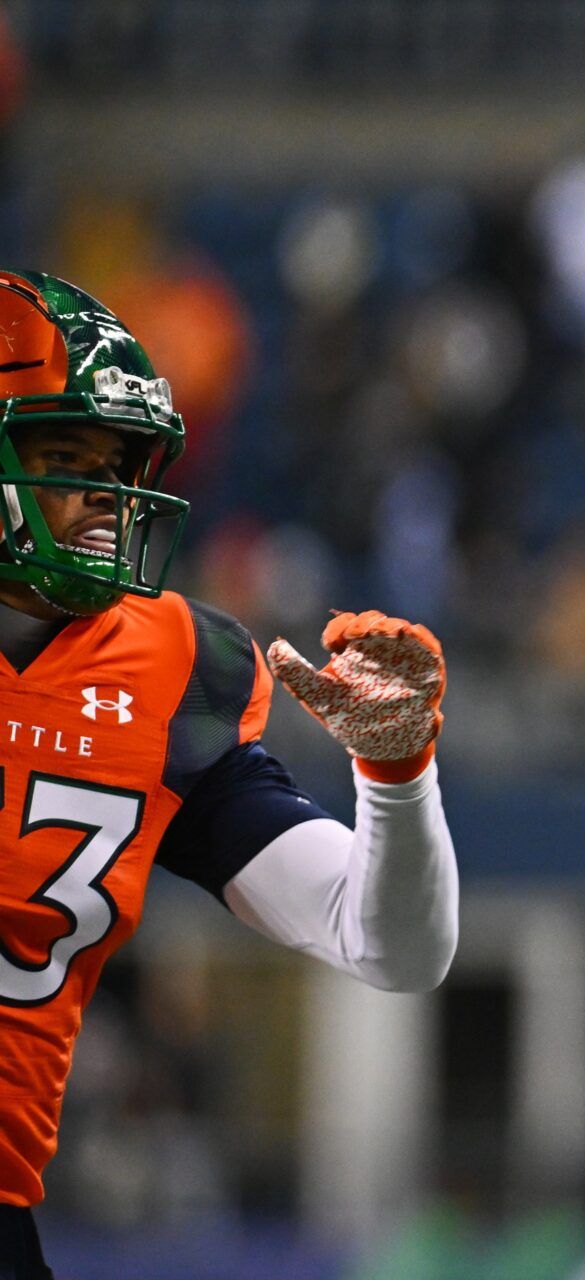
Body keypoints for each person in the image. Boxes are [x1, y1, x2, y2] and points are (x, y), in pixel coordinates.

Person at [0, 270, 457, 1279]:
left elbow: (390, 941)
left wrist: (397, 774)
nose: (98, 498)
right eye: (61, 456)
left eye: (113, 460)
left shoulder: (166, 668)